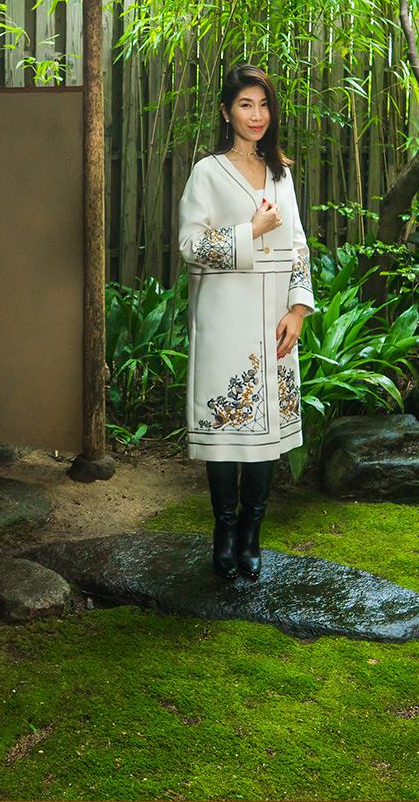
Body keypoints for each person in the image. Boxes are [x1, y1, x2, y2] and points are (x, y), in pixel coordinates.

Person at [177, 64, 315, 580]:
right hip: (225, 317)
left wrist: (298, 310)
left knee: (267, 430)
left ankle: (252, 534)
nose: (256, 115)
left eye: (263, 105)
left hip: (275, 320)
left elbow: (298, 243)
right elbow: (189, 245)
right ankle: (225, 531)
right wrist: (250, 230)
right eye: (245, 105)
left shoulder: (282, 172)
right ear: (226, 112)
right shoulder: (208, 172)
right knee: (226, 429)